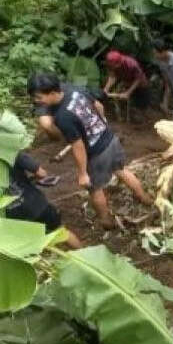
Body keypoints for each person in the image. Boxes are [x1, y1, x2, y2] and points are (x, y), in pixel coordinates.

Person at [27, 73, 152, 229]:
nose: (37, 102)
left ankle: (106, 221)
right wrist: (101, 122)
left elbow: (78, 146)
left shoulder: (62, 116)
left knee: (94, 189)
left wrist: (82, 173)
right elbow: (98, 105)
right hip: (110, 139)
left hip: (97, 153)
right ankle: (145, 198)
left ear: (52, 93)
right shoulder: (74, 89)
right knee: (121, 170)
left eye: (39, 98)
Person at [5, 150, 82, 248]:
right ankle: (86, 257)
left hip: (12, 217)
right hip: (36, 205)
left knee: (32, 246)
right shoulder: (11, 152)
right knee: (61, 233)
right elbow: (42, 174)